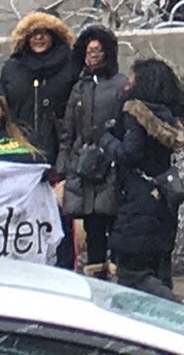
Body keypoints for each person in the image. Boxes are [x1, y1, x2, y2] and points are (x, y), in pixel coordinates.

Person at [104, 59, 184, 301]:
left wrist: (105, 139)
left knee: (132, 272)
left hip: (138, 198)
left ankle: (176, 309)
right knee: (160, 267)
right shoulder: (166, 115)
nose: (126, 87)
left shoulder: (135, 113)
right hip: (163, 194)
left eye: (130, 82)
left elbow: (129, 153)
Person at [59, 26, 124, 278]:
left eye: (97, 50)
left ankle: (119, 271)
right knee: (93, 222)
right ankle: (97, 273)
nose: (93, 55)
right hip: (84, 165)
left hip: (112, 162)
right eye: (89, 51)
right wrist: (65, 164)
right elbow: (68, 129)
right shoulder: (80, 86)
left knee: (114, 220)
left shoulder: (119, 84)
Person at [2, 12, 75, 169]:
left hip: (60, 153)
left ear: (54, 35)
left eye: (44, 33)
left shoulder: (71, 66)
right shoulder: (12, 68)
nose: (38, 38)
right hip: (18, 152)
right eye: (33, 33)